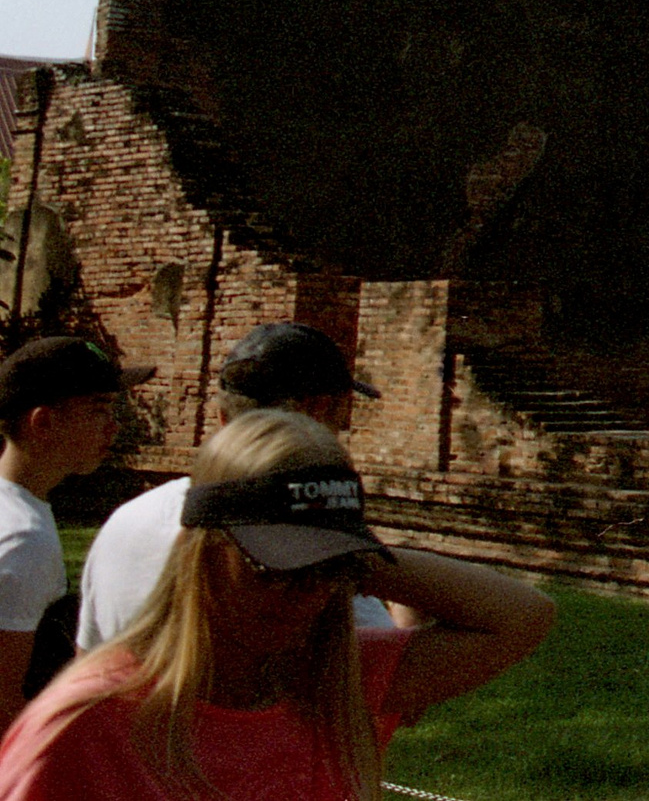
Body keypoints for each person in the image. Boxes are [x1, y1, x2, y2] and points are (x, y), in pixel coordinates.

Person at [0, 409, 555, 800]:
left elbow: (522, 615)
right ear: (202, 556)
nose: (307, 595)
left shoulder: (334, 682)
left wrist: (350, 556)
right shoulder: (86, 724)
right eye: (275, 567)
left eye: (327, 571)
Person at [80, 322, 390, 652]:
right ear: (318, 409)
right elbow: (395, 675)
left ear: (222, 417)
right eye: (343, 412)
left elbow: (85, 659)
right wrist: (359, 560)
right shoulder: (309, 553)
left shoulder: (126, 519)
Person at [0, 337, 155, 724]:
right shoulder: (24, 537)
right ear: (44, 422)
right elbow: (4, 701)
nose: (114, 425)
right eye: (98, 409)